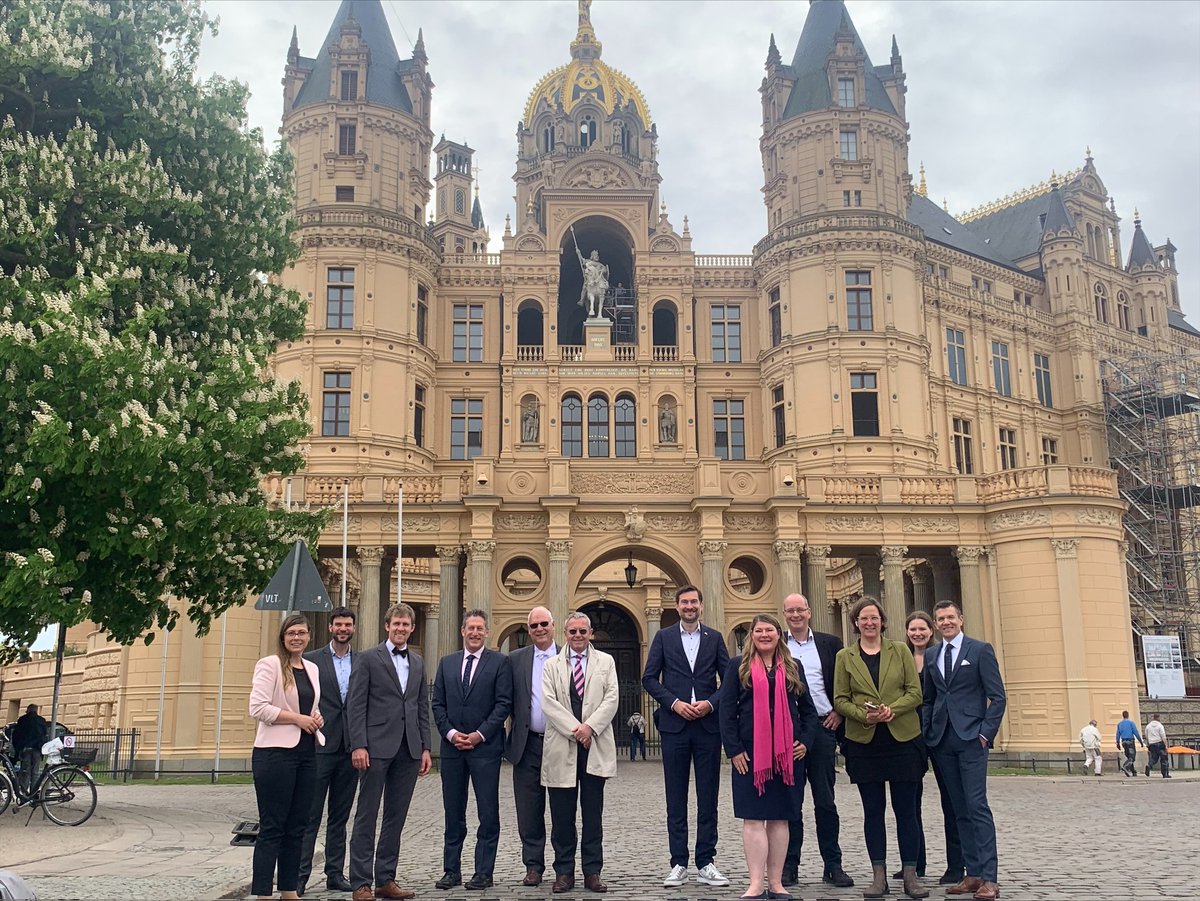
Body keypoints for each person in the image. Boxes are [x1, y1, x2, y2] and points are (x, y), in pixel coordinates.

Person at [833, 598, 928, 900]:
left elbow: (915, 692)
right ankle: (879, 876)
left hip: (903, 740)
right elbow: (840, 699)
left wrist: (891, 710)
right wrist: (864, 715)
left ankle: (910, 875)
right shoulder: (844, 656)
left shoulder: (900, 651)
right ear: (856, 623)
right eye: (863, 618)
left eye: (874, 617)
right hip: (865, 744)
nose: (869, 623)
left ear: (882, 621)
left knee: (906, 812)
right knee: (873, 812)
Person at [718, 613, 818, 901]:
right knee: (752, 819)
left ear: (778, 634)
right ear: (751, 635)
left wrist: (806, 742)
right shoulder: (737, 666)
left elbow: (809, 711)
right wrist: (734, 749)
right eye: (759, 631)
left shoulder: (793, 666)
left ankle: (776, 883)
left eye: (769, 630)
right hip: (750, 756)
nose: (764, 635)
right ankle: (755, 883)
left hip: (787, 756)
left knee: (780, 820)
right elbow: (727, 712)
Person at [642, 585, 731, 888]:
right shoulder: (663, 637)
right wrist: (674, 703)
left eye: (694, 602)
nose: (689, 606)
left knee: (708, 797)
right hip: (675, 725)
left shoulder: (714, 638)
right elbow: (649, 678)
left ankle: (706, 861)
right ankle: (678, 862)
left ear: (701, 606)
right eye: (684, 602)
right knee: (675, 797)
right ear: (677, 606)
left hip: (707, 726)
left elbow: (728, 680)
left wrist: (711, 704)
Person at [346, 603, 432, 901]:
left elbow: (421, 707)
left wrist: (425, 747)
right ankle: (361, 883)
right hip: (375, 747)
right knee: (367, 815)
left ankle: (386, 878)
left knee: (396, 817)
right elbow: (356, 705)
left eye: (406, 625)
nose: (401, 629)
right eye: (396, 624)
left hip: (408, 749)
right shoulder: (368, 658)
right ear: (387, 626)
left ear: (412, 628)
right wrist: (358, 744)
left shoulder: (418, 662)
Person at [922, 600, 1006, 901]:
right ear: (936, 624)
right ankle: (972, 874)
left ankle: (990, 878)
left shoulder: (980, 650)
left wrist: (985, 734)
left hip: (972, 739)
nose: (946, 622)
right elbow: (929, 697)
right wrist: (928, 729)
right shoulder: (932, 654)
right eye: (940, 619)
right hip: (943, 739)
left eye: (950, 617)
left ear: (961, 619)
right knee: (959, 809)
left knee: (976, 806)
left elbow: (998, 697)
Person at [431, 609, 514, 890]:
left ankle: (483, 872)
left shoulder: (500, 662)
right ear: (462, 631)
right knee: (453, 813)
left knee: (487, 813)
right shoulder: (447, 663)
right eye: (471, 628)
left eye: (480, 628)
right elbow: (438, 704)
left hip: (485, 749)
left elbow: (503, 704)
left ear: (486, 632)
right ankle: (451, 871)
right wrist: (452, 734)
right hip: (452, 749)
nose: (475, 633)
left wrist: (479, 735)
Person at [248, 613, 325, 901]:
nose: (297, 637)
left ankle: (289, 890)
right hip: (274, 754)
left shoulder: (312, 668)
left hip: (306, 753)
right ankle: (263, 893)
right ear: (283, 637)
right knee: (273, 826)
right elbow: (258, 708)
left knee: (298, 825)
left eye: (301, 633)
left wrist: (316, 718)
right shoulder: (269, 665)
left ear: (309, 636)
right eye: (291, 633)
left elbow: (309, 706)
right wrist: (298, 719)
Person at [541, 611, 620, 894]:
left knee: (592, 815)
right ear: (565, 634)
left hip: (593, 746)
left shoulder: (606, 662)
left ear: (590, 634)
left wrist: (590, 728)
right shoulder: (551, 665)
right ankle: (564, 871)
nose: (577, 636)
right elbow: (548, 703)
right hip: (563, 746)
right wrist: (577, 730)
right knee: (562, 816)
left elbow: (612, 698)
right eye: (572, 631)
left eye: (582, 631)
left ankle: (592, 871)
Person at [781, 593, 855, 889]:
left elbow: (845, 681)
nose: (796, 615)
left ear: (809, 612)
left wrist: (839, 711)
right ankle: (790, 865)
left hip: (824, 727)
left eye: (800, 610)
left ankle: (832, 864)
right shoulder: (777, 644)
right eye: (790, 611)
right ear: (784, 615)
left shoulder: (830, 643)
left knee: (825, 800)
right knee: (791, 802)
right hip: (789, 732)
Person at [298, 607, 359, 896]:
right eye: (339, 624)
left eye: (347, 624)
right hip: (320, 745)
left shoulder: (362, 661)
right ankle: (300, 876)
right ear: (330, 628)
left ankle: (335, 873)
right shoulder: (312, 660)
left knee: (339, 817)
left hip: (350, 749)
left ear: (353, 628)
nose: (343, 629)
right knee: (310, 815)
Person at [904, 610, 964, 885]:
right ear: (907, 633)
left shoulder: (941, 656)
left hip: (939, 732)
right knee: (909, 801)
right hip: (909, 735)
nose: (917, 633)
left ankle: (956, 864)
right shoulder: (901, 658)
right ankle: (914, 862)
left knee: (950, 801)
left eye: (922, 629)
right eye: (912, 629)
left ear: (931, 631)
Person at [505, 607, 558, 887]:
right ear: (528, 629)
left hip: (561, 745)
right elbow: (504, 700)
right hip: (527, 744)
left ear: (553, 625)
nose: (539, 629)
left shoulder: (567, 656)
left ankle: (564, 867)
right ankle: (533, 866)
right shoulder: (515, 659)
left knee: (562, 810)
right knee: (528, 811)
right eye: (534, 625)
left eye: (544, 624)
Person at [11, 704, 48, 795]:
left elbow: (16, 735)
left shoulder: (22, 720)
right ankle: (33, 793)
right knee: (35, 772)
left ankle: (24, 794)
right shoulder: (41, 720)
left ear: (28, 710)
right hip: (37, 749)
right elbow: (44, 736)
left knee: (25, 771)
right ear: (36, 710)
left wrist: (18, 749)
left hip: (25, 748)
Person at [1115, 710, 1144, 777]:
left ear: (1123, 716)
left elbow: (1118, 734)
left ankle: (1133, 771)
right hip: (1130, 742)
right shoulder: (1131, 723)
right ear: (1128, 715)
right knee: (1132, 757)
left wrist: (1118, 743)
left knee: (1129, 757)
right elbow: (1136, 732)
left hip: (1124, 742)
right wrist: (1141, 742)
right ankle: (1125, 767)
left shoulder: (1119, 724)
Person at [1144, 713, 1170, 778]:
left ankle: (1149, 766)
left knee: (1154, 758)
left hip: (1152, 744)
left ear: (1153, 717)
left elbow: (1146, 735)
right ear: (1158, 718)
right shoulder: (1160, 726)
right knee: (1164, 758)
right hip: (1159, 744)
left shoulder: (1148, 726)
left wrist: (1149, 744)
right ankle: (1165, 774)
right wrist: (1166, 746)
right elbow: (1163, 736)